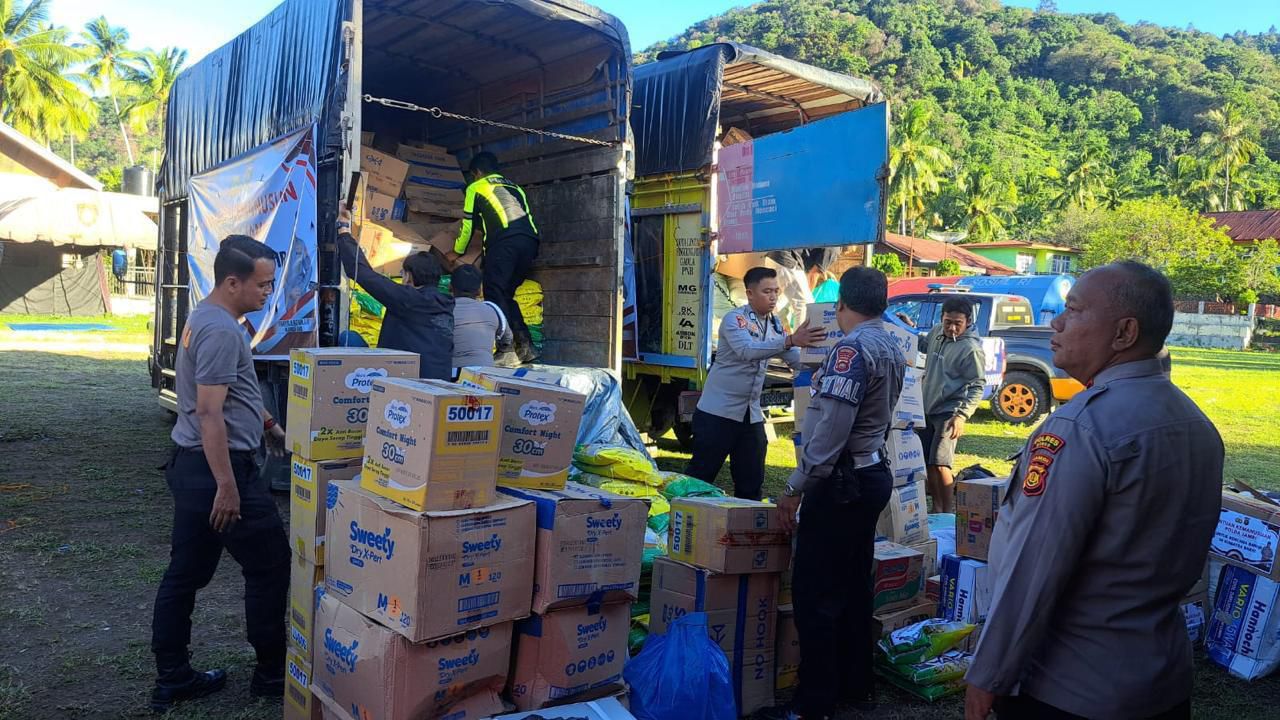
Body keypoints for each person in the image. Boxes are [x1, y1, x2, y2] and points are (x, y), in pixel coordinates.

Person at [965, 262, 1224, 720]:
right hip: (1161, 677)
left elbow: (1034, 566)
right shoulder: (1194, 421)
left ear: (1124, 333)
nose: (1056, 323)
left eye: (1074, 310)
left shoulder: (1081, 425)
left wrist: (989, 673)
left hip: (1070, 686)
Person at [149, 236, 291, 713]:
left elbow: (234, 392)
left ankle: (173, 677)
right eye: (263, 285)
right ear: (233, 282)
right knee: (270, 565)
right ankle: (272, 674)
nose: (268, 292)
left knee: (185, 573)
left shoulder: (210, 317)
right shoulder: (221, 331)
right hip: (219, 472)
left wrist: (268, 425)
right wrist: (228, 486)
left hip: (194, 467)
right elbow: (209, 412)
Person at [776, 266, 906, 720]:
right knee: (853, 582)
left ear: (840, 305)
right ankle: (855, 682)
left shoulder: (850, 350)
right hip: (871, 474)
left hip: (841, 484)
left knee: (816, 592)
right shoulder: (892, 345)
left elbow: (831, 431)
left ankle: (814, 702)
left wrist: (795, 486)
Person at [686, 266, 824, 500]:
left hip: (750, 415)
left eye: (776, 291)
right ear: (750, 294)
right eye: (767, 291)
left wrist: (826, 361)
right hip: (717, 413)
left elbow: (795, 359)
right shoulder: (735, 320)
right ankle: (681, 516)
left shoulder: (775, 324)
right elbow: (747, 351)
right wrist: (790, 340)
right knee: (700, 478)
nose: (773, 297)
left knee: (751, 481)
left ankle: (747, 520)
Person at [336, 208, 454, 380]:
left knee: (349, 338)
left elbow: (362, 273)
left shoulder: (408, 299)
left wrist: (344, 230)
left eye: (403, 273)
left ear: (410, 276)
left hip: (404, 379)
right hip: (440, 380)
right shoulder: (446, 304)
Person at [448, 151, 540, 363]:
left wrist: (458, 251)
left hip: (505, 244)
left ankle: (506, 349)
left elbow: (468, 225)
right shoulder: (515, 187)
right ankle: (526, 346)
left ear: (477, 172)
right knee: (505, 294)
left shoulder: (475, 187)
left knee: (493, 292)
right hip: (530, 243)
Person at [918, 296, 986, 513]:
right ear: (942, 318)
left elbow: (978, 385)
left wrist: (962, 416)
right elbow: (924, 345)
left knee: (941, 462)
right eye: (948, 322)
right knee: (928, 462)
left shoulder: (970, 349)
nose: (952, 328)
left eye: (958, 323)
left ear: (968, 322)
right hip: (927, 408)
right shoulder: (937, 332)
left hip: (950, 411)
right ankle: (936, 508)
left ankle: (948, 511)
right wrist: (907, 327)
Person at [450, 263, 515, 374]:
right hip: (484, 374)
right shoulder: (493, 310)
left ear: (450, 287)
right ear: (479, 290)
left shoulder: (443, 311)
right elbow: (507, 339)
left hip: (451, 374)